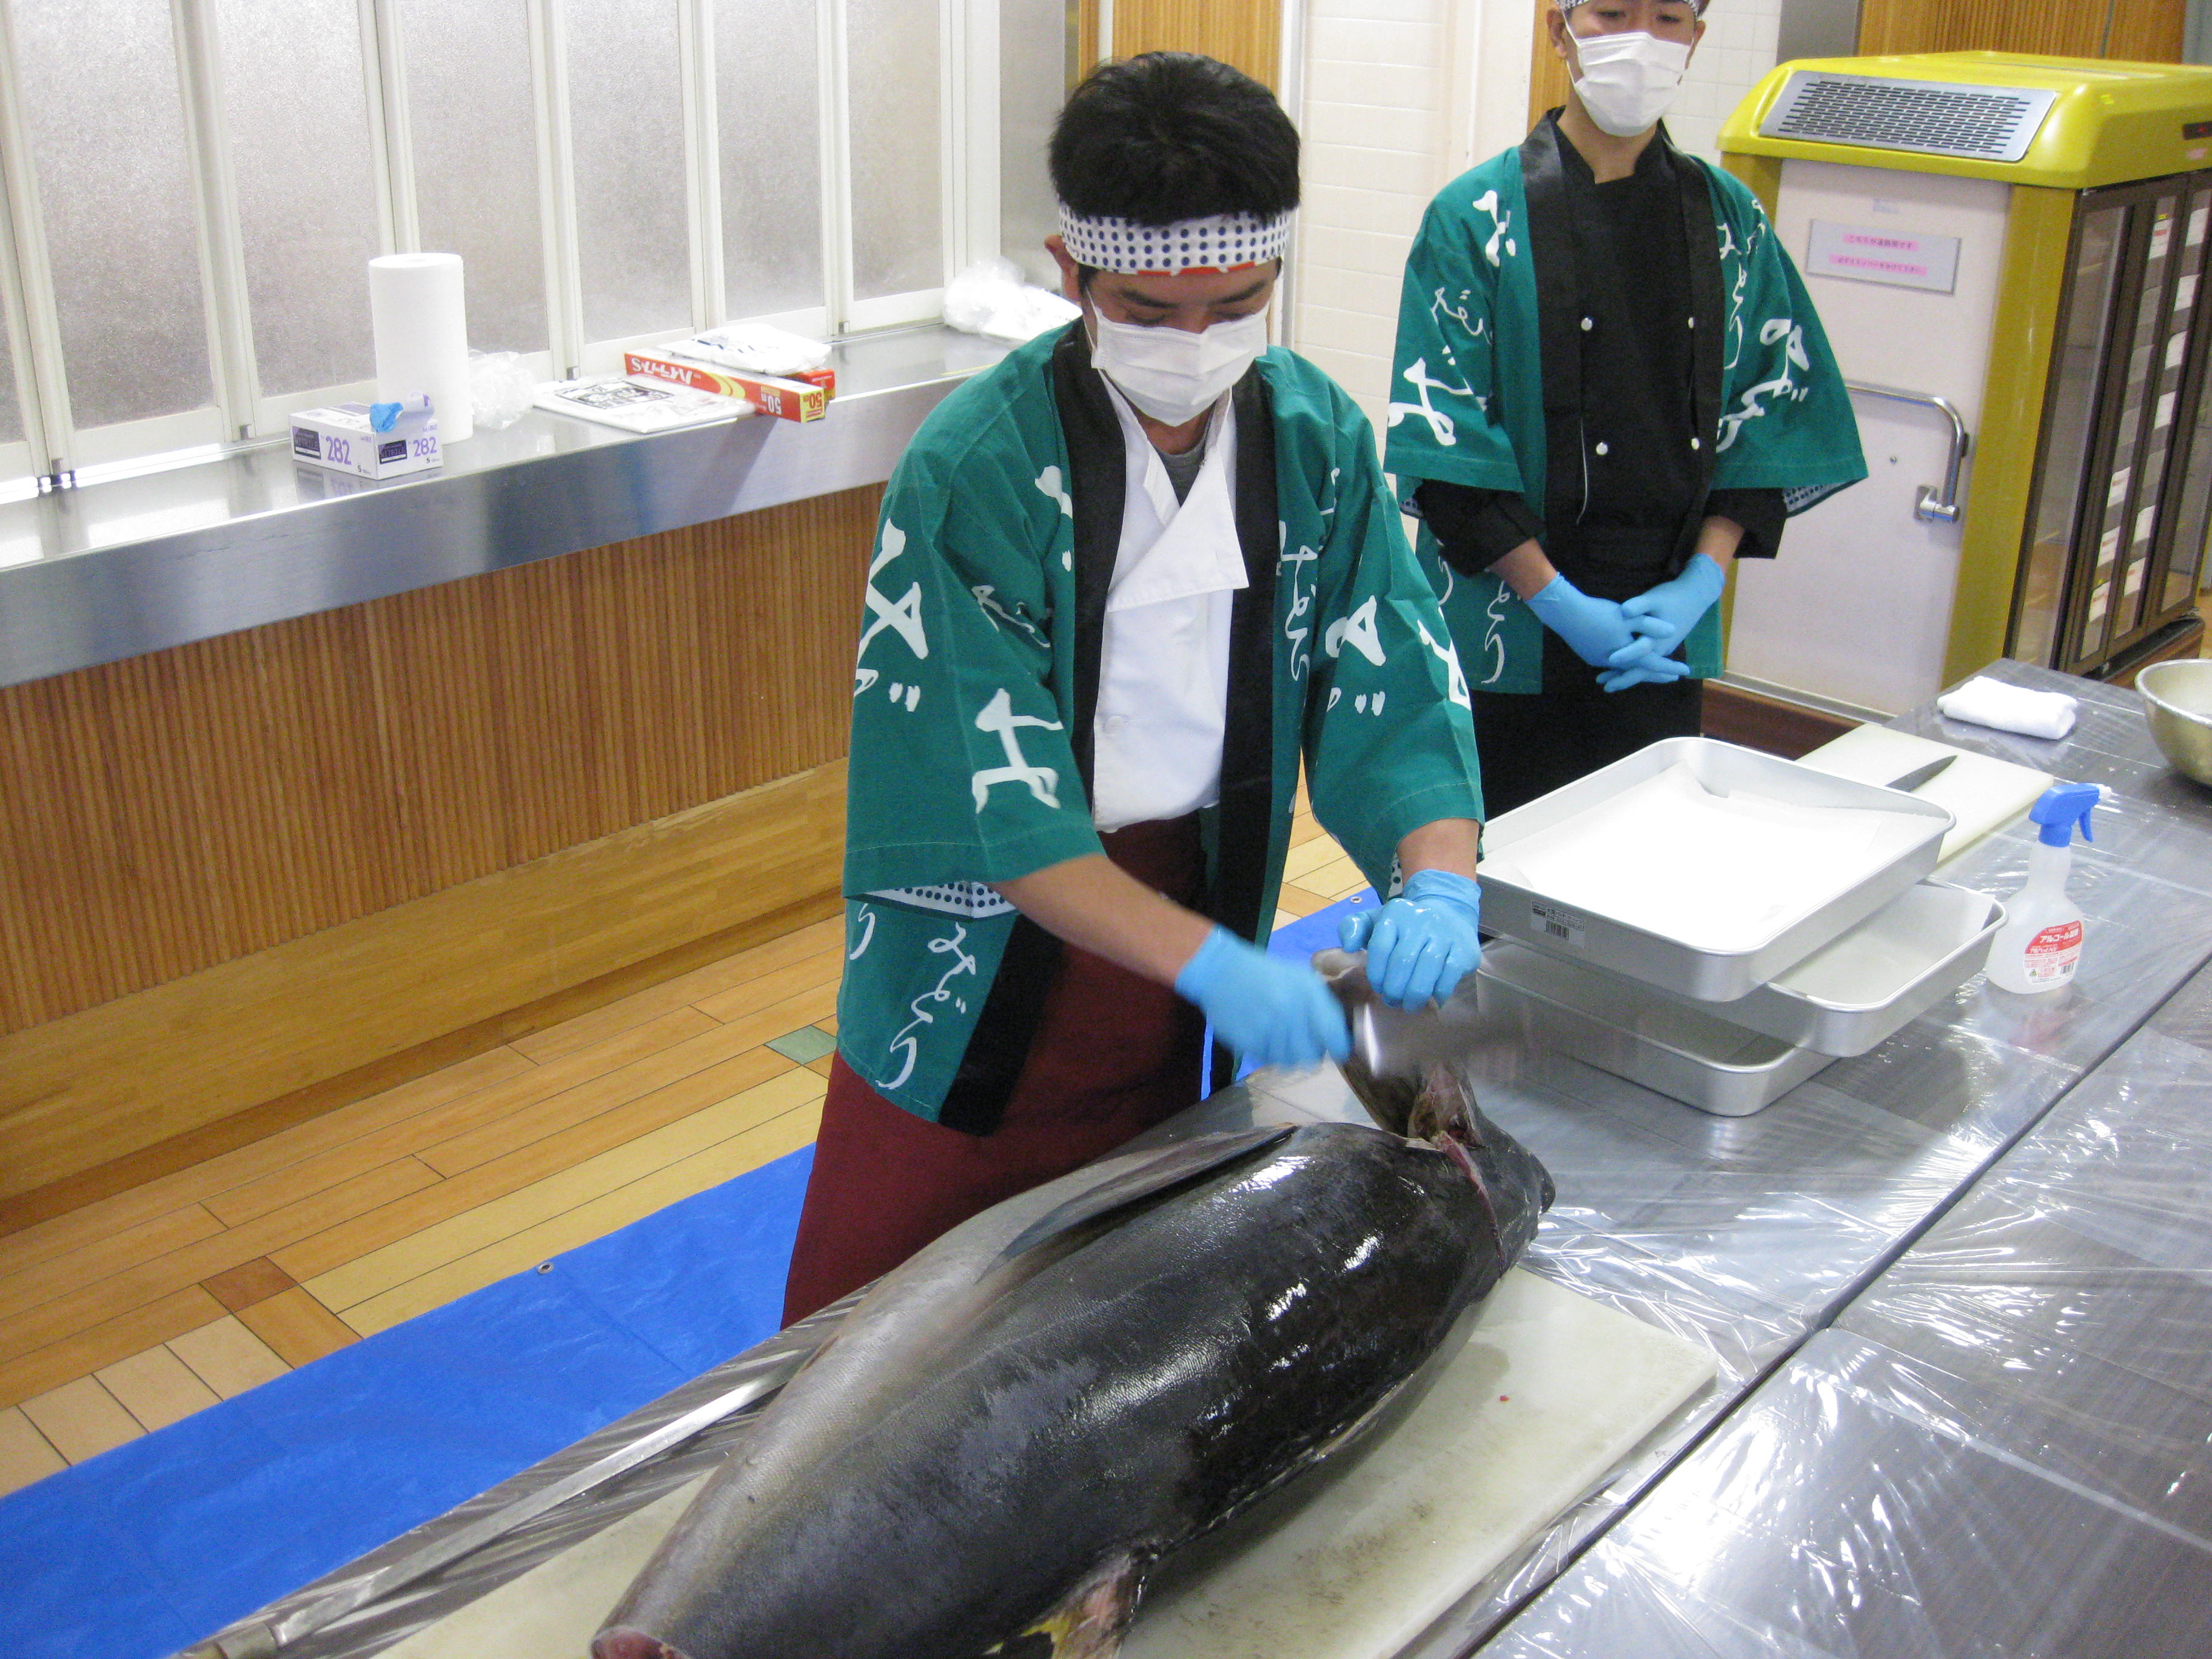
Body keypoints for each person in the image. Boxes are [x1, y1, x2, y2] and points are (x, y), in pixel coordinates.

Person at [783, 52, 1488, 1324]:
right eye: (1146, 310)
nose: (1195, 343)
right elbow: (1002, 819)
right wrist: (1220, 969)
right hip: (990, 954)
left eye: (1237, 303)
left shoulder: (1315, 439)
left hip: (1190, 909)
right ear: (1071, 273)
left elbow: (1395, 681)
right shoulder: (974, 473)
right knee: (881, 1332)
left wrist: (1434, 874)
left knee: (1112, 1310)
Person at [1386, 0, 1865, 817]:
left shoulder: (1731, 220)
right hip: (1511, 622)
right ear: (1558, 27)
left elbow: (1769, 415)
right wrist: (1557, 602)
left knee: (1639, 857)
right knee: (1501, 869)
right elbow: (1445, 444)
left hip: (1661, 630)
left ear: (1695, 39)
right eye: (1610, 11)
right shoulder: (1474, 219)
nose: (1638, 38)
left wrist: (1700, 583)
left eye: (1668, 17)